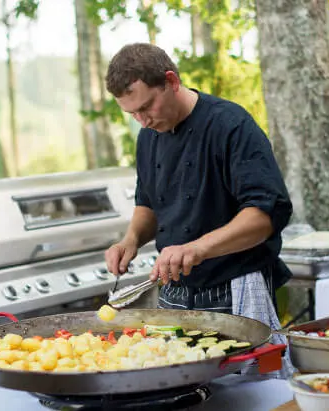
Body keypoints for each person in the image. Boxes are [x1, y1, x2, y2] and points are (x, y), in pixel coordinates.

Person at [103, 43, 296, 379]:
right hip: (174, 292)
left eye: (147, 106)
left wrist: (196, 248)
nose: (142, 120)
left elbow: (264, 216)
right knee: (172, 381)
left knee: (253, 388)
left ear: (171, 81)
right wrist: (130, 240)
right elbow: (148, 202)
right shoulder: (148, 136)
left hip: (234, 285)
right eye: (131, 114)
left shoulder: (230, 124)